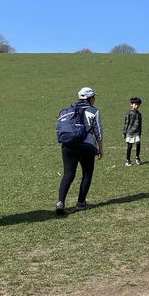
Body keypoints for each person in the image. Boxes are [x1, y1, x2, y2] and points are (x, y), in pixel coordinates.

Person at [56, 87, 103, 216]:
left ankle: (60, 202)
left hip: (68, 145)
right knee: (87, 174)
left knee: (68, 174)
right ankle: (81, 203)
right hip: (86, 146)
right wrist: (100, 148)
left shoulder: (68, 110)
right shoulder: (93, 111)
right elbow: (98, 132)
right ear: (90, 98)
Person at [123, 96, 142, 166]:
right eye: (135, 104)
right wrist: (124, 132)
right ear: (132, 104)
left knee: (138, 143)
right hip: (130, 132)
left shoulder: (139, 114)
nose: (137, 106)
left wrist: (140, 133)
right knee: (130, 146)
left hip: (136, 132)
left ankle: (137, 157)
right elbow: (126, 122)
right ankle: (127, 160)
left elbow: (140, 125)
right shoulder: (128, 113)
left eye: (138, 105)